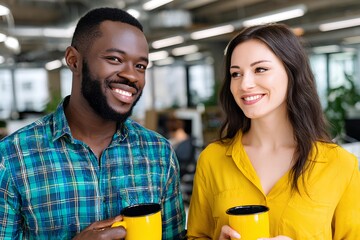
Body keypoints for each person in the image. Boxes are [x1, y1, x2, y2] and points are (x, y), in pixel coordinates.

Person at [0, 7, 186, 239]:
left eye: (140, 66)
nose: (132, 75)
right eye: (115, 59)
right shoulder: (11, 158)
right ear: (74, 60)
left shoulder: (158, 152)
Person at [186, 23, 360, 239]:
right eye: (236, 74)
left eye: (260, 69)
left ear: (292, 72)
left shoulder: (340, 165)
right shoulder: (212, 159)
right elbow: (196, 235)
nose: (245, 84)